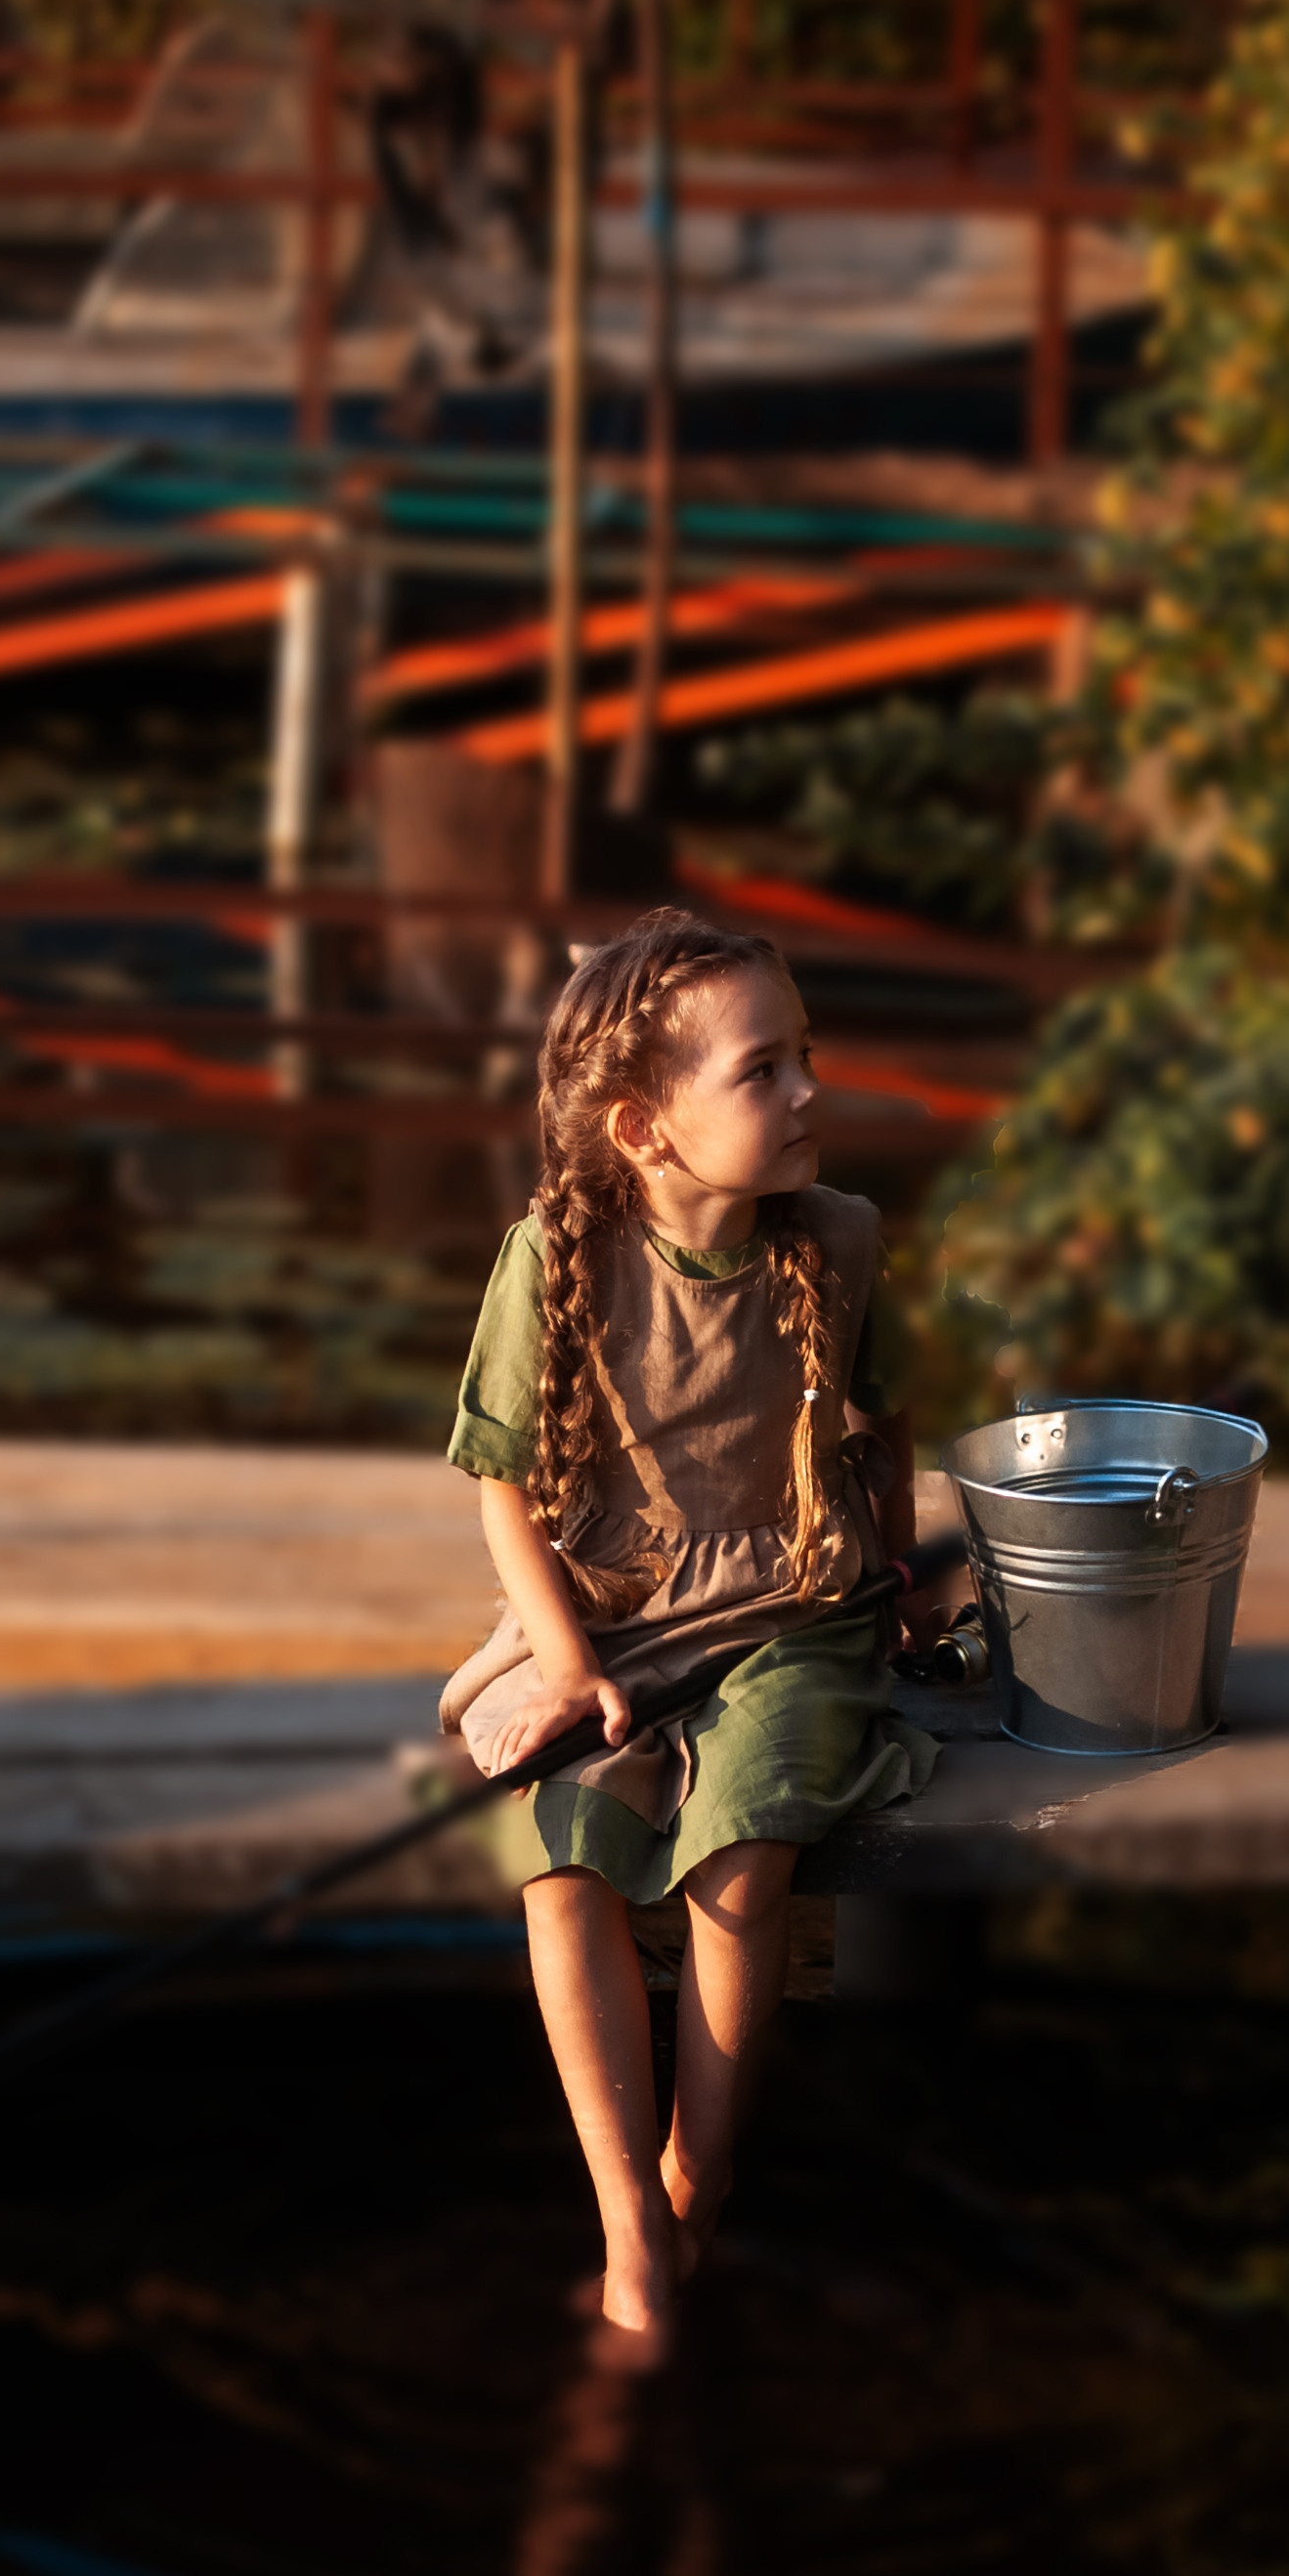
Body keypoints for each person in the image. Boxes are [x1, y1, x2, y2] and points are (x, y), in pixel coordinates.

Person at [440, 903, 943, 2344]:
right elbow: (504, 1502)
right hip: (615, 1601)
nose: (807, 1094)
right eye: (763, 1070)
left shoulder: (838, 1240)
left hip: (792, 1601)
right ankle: (627, 2225)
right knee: (561, 1856)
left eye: (806, 1057)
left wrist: (899, 1588)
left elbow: (888, 1426)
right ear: (644, 1126)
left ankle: (697, 2172)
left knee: (744, 1842)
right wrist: (570, 1664)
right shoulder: (558, 1258)